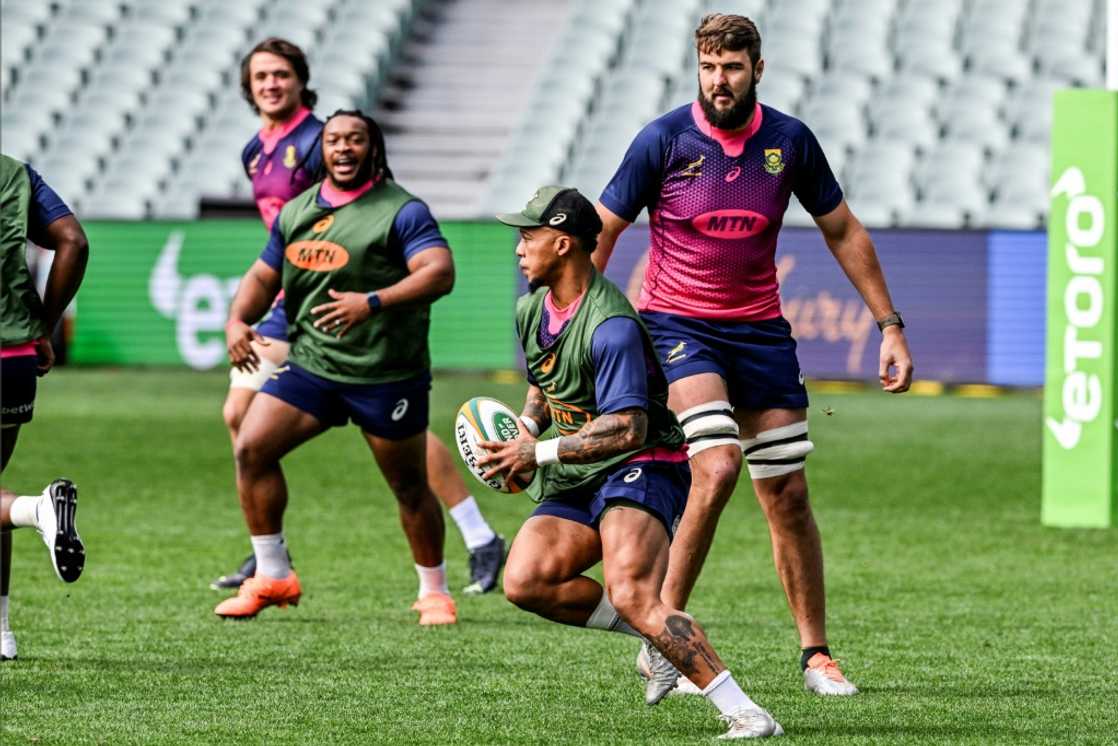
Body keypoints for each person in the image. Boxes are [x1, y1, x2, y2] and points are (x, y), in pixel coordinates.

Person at [592, 13, 914, 699]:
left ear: (757, 70)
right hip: (679, 325)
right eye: (709, 67)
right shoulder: (663, 139)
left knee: (788, 494)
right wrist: (576, 324)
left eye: (732, 67)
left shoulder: (789, 141)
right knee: (716, 464)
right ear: (697, 68)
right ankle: (663, 635)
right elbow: (603, 229)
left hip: (761, 332)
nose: (720, 80)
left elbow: (843, 229)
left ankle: (817, 656)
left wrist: (888, 325)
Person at [478, 186, 783, 739]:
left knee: (633, 592)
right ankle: (655, 635)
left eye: (529, 235)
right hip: (576, 468)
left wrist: (537, 451)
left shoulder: (611, 326)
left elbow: (628, 428)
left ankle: (746, 712)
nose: (519, 248)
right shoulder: (530, 309)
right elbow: (544, 384)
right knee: (525, 581)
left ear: (563, 242)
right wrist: (524, 429)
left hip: (643, 461)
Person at [212, 37, 504, 595]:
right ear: (248, 88)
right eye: (260, 77)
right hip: (292, 299)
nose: (271, 85)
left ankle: (474, 534)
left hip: (336, 306)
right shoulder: (256, 149)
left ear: (301, 82)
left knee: (391, 432)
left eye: (281, 75)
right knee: (243, 419)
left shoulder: (320, 141)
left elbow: (355, 216)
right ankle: (268, 552)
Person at [216, 110, 460, 625]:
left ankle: (434, 591)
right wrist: (238, 320)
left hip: (386, 373)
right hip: (315, 364)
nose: (344, 148)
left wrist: (371, 302)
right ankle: (273, 573)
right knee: (251, 447)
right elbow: (263, 275)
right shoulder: (298, 210)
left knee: (408, 486)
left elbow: (440, 273)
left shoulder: (402, 211)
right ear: (320, 151)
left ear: (374, 149)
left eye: (355, 139)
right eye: (333, 140)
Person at [0, 153, 90, 660]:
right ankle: (2, 634)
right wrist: (43, 326)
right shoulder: (14, 173)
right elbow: (74, 241)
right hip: (13, 357)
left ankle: (38, 510)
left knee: (9, 503)